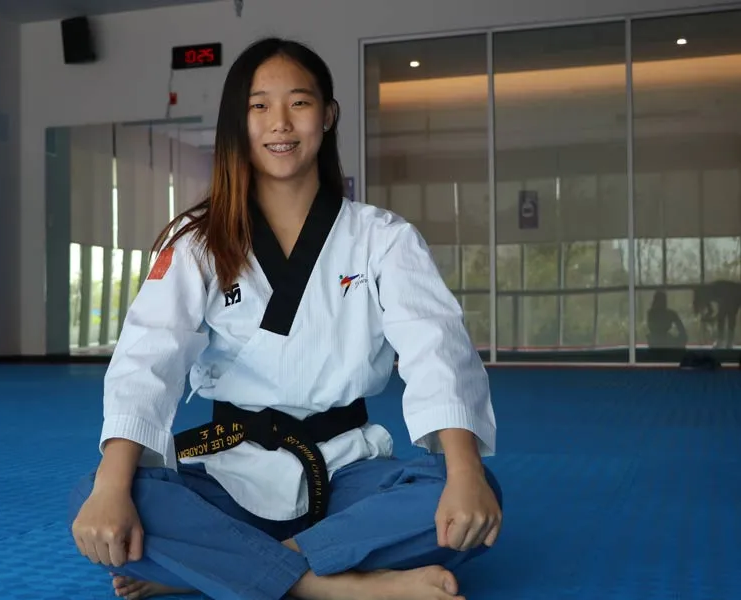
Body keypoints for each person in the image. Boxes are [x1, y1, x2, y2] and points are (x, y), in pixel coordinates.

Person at [69, 37, 503, 600]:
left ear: (328, 115)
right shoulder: (198, 241)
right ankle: (332, 584)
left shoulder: (382, 238)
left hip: (347, 471)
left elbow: (436, 348)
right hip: (232, 472)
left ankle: (223, 568)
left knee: (464, 491)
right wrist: (110, 487)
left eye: (299, 102)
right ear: (238, 121)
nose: (280, 123)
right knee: (103, 494)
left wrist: (465, 472)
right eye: (259, 106)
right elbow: (146, 357)